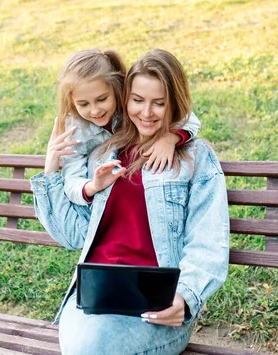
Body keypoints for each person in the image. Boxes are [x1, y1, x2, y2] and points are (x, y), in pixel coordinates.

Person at [31, 49, 230, 355]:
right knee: (88, 346)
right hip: (96, 297)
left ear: (174, 102)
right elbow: (72, 236)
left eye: (159, 103)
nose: (147, 112)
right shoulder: (102, 154)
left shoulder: (195, 157)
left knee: (93, 349)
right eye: (137, 100)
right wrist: (51, 171)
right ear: (124, 99)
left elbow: (208, 241)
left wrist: (185, 297)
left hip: (157, 304)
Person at [55, 48, 202, 206]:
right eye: (83, 104)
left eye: (102, 99)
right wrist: (92, 186)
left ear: (117, 89)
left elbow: (187, 117)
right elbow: (71, 180)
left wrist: (170, 138)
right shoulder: (75, 132)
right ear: (71, 102)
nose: (95, 110)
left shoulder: (129, 107)